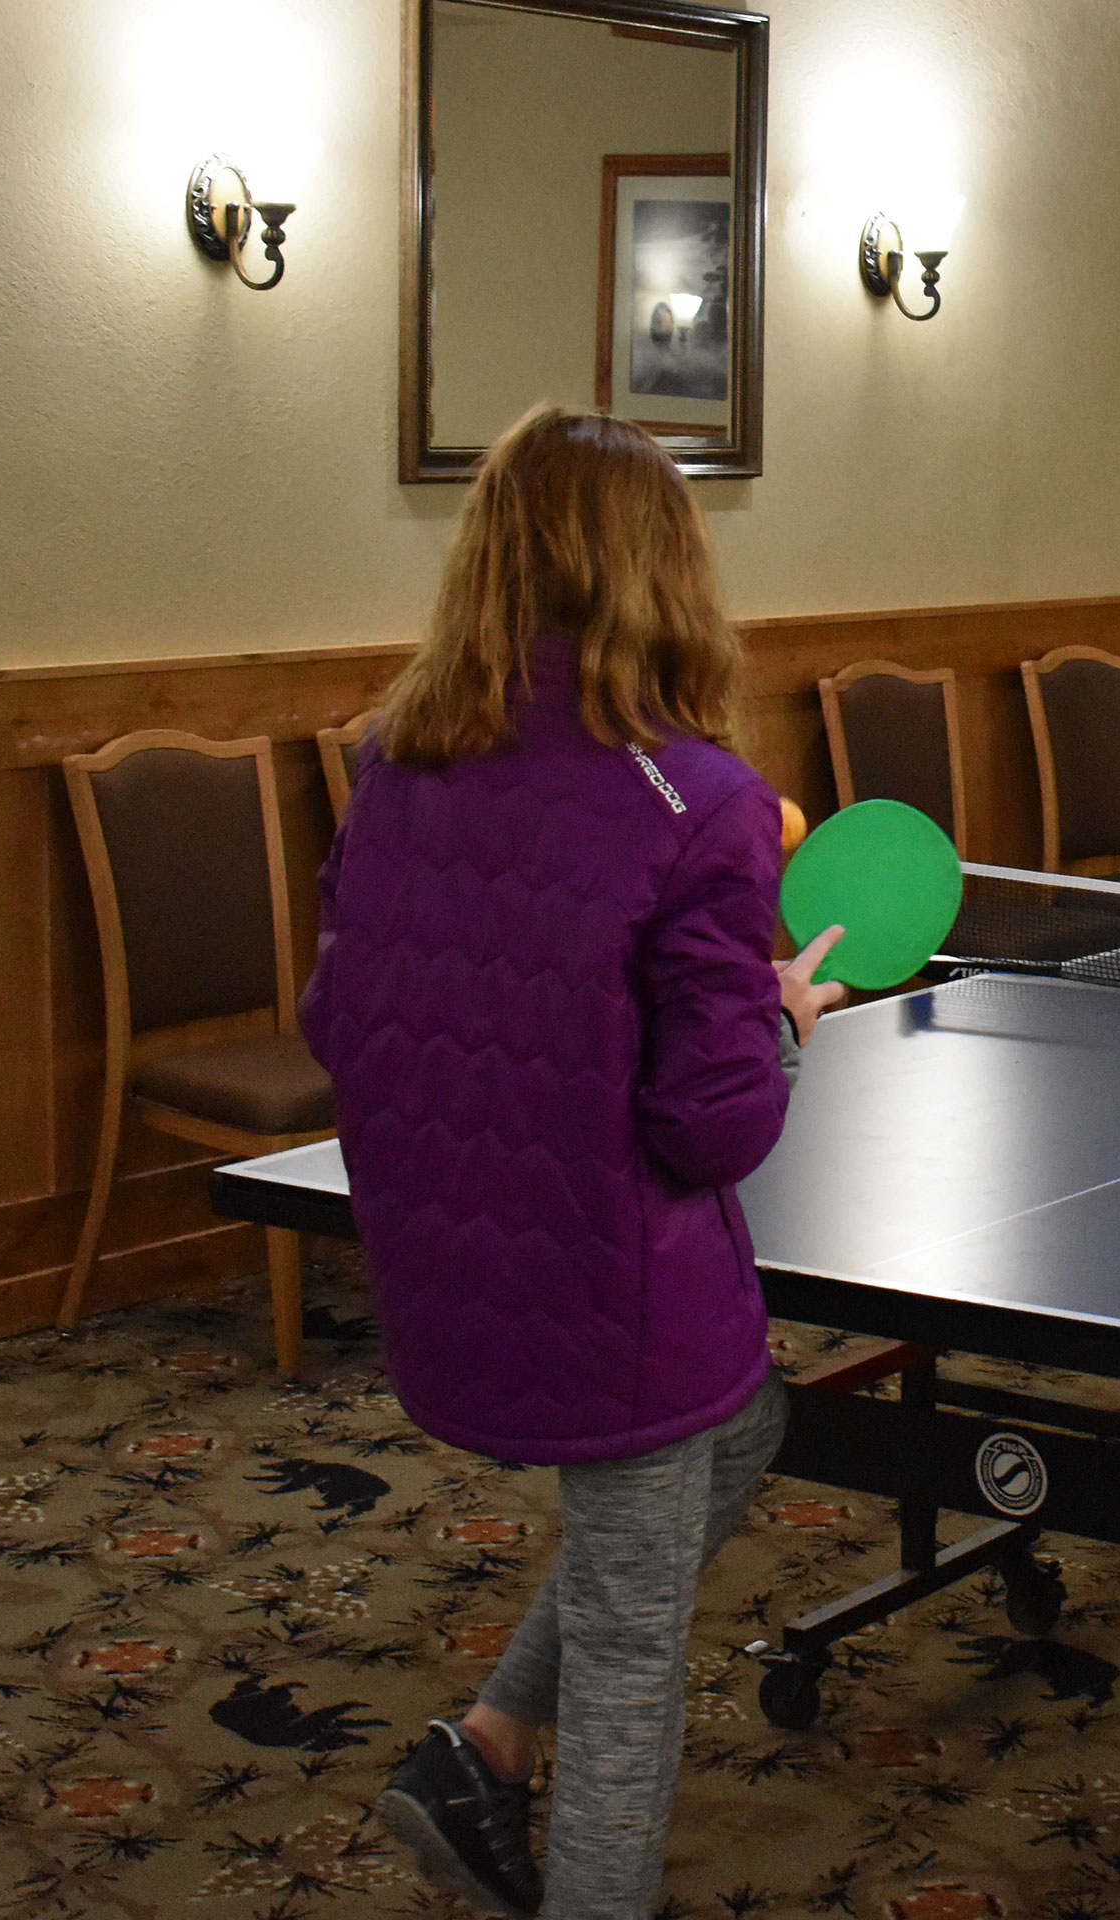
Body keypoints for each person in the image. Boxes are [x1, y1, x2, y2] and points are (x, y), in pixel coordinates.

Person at [300, 406, 844, 1917]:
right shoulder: (706, 804)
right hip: (619, 1297)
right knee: (630, 1647)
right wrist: (775, 1015)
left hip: (443, 1264)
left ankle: (478, 1745)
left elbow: (339, 1020)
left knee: (750, 1432)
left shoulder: (395, 760)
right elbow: (711, 1124)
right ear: (666, 570)